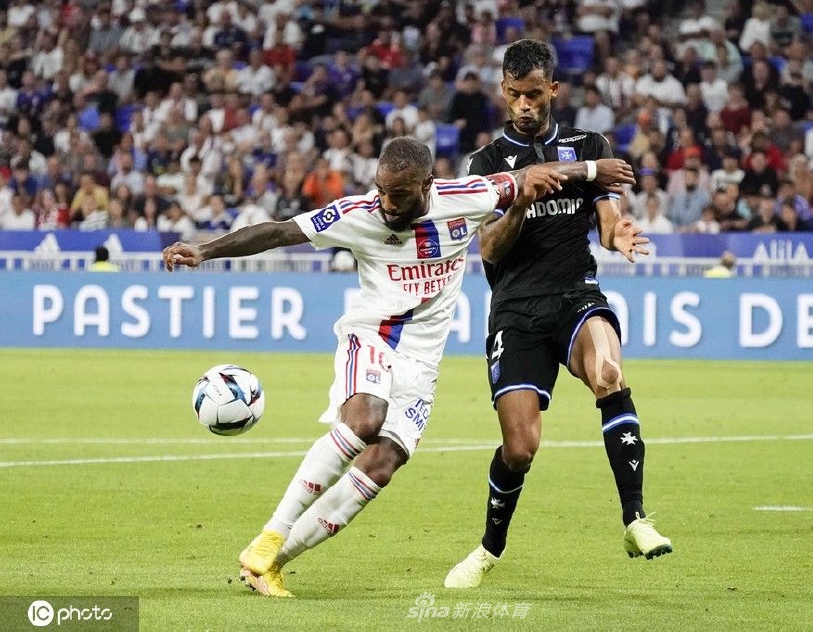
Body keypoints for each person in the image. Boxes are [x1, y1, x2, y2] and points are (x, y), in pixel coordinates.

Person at [162, 137, 635, 598]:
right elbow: (279, 231)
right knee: (364, 419)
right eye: (382, 190)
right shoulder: (358, 214)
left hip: (422, 362)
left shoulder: (467, 196)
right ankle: (273, 532)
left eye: (400, 194)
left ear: (427, 185)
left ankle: (269, 562)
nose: (387, 203)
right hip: (372, 337)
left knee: (382, 464)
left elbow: (530, 175)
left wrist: (593, 169)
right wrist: (205, 250)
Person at [444, 40, 671, 590]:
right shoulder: (486, 164)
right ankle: (490, 547)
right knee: (520, 449)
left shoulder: (588, 146)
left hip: (576, 295)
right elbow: (489, 249)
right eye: (514, 94)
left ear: (553, 90)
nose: (524, 104)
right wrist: (521, 201)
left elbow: (608, 223)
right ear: (503, 91)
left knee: (609, 373)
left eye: (533, 94)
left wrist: (620, 235)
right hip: (516, 310)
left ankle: (636, 519)